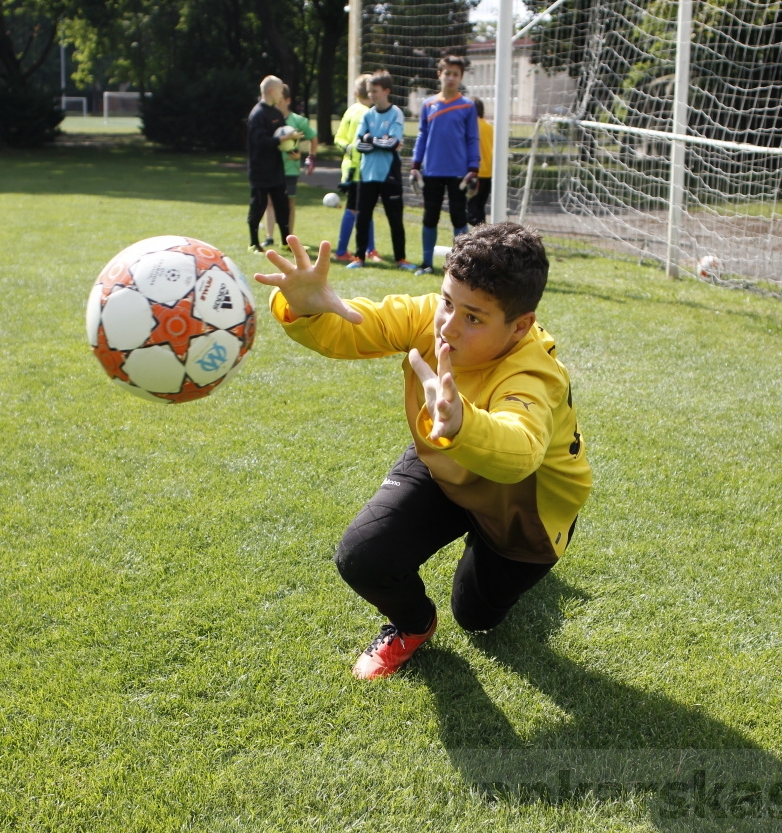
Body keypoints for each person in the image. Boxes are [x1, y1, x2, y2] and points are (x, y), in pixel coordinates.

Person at [254, 223, 591, 680]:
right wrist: (306, 308)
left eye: (473, 317)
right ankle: (413, 626)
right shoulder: (428, 316)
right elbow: (352, 327)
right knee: (363, 557)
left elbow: (520, 452)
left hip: (521, 506)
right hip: (445, 464)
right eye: (448, 302)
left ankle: (496, 562)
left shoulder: (535, 373)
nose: (447, 326)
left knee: (477, 619)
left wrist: (462, 423)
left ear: (521, 326)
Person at [410, 54, 480, 276]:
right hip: (431, 171)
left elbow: (472, 138)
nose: (451, 78)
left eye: (456, 74)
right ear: (439, 74)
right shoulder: (428, 104)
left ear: (461, 77)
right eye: (447, 73)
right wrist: (415, 164)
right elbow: (422, 136)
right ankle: (426, 263)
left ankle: (463, 266)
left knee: (458, 217)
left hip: (458, 173)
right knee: (430, 216)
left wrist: (473, 169)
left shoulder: (467, 106)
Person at [347, 70, 417, 271]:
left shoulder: (395, 113)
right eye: (369, 91)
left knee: (395, 218)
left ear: (386, 91)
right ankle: (359, 257)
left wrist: (371, 139)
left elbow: (393, 142)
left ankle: (401, 259)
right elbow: (359, 144)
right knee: (363, 217)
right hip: (367, 173)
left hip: (389, 174)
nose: (371, 95)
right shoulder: (367, 114)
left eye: (375, 91)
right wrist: (378, 141)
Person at [247, 75, 299, 254]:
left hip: (276, 170)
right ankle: (254, 243)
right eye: (279, 89)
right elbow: (261, 141)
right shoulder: (257, 114)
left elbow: (283, 141)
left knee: (282, 205)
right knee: (259, 205)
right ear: (270, 91)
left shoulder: (277, 113)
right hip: (260, 170)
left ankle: (286, 242)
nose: (282, 93)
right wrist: (284, 138)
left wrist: (292, 151)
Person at [264, 84, 318, 249]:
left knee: (289, 203)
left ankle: (288, 239)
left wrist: (310, 157)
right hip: (272, 167)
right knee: (270, 202)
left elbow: (313, 137)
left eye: (281, 101)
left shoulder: (298, 121)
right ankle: (269, 237)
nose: (277, 104)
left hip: (290, 168)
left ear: (287, 100)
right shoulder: (269, 119)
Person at [333, 73, 379, 263]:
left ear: (355, 92)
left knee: (360, 209)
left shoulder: (350, 111)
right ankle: (343, 250)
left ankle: (370, 248)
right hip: (361, 170)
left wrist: (347, 148)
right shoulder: (367, 114)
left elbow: (339, 139)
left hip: (348, 169)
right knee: (356, 210)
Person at [467, 97, 494, 227]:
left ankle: (474, 236)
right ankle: (482, 233)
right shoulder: (490, 127)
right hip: (488, 172)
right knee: (480, 207)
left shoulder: (471, 126)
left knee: (470, 208)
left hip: (474, 172)